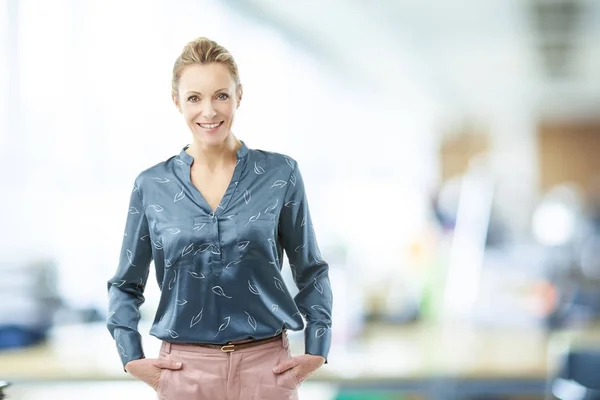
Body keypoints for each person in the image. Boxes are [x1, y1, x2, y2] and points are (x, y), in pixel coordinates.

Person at [106, 37, 333, 399]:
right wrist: (131, 356)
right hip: (184, 373)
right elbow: (125, 283)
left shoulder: (281, 174)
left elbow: (311, 269)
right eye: (194, 98)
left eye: (221, 95)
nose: (209, 111)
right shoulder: (151, 185)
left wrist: (318, 347)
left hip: (267, 371)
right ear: (176, 101)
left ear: (239, 96)